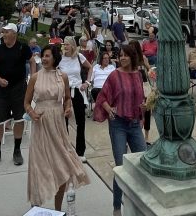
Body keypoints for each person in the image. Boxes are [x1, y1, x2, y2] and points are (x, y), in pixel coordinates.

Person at [25, 42, 90, 210]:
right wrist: (32, 113)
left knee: (62, 167)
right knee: (39, 166)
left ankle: (58, 209)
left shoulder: (63, 77)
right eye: (43, 56)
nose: (44, 59)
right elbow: (26, 103)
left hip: (57, 123)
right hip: (40, 124)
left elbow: (67, 98)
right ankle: (36, 206)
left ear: (55, 58)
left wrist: (67, 107)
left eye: (47, 56)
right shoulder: (35, 77)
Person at [95, 43, 146, 216]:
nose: (122, 58)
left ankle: (138, 204)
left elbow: (140, 99)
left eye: (126, 55)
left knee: (142, 163)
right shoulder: (114, 75)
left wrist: (142, 114)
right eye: (121, 55)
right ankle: (117, 208)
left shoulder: (138, 75)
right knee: (121, 167)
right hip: (118, 124)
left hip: (134, 124)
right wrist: (109, 110)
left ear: (132, 57)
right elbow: (102, 96)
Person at [0, 23, 35, 167]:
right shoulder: (0, 49)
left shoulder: (22, 47)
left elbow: (32, 61)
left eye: (6, 32)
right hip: (2, 89)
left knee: (19, 119)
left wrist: (33, 78)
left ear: (13, 33)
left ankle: (17, 150)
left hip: (19, 88)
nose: (4, 34)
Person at [58, 37, 91, 161]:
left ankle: (80, 151)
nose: (65, 47)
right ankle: (65, 149)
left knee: (80, 121)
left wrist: (87, 82)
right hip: (64, 91)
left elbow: (90, 68)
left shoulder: (79, 57)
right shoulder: (60, 59)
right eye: (64, 44)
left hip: (77, 89)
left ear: (72, 45)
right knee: (64, 121)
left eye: (67, 44)